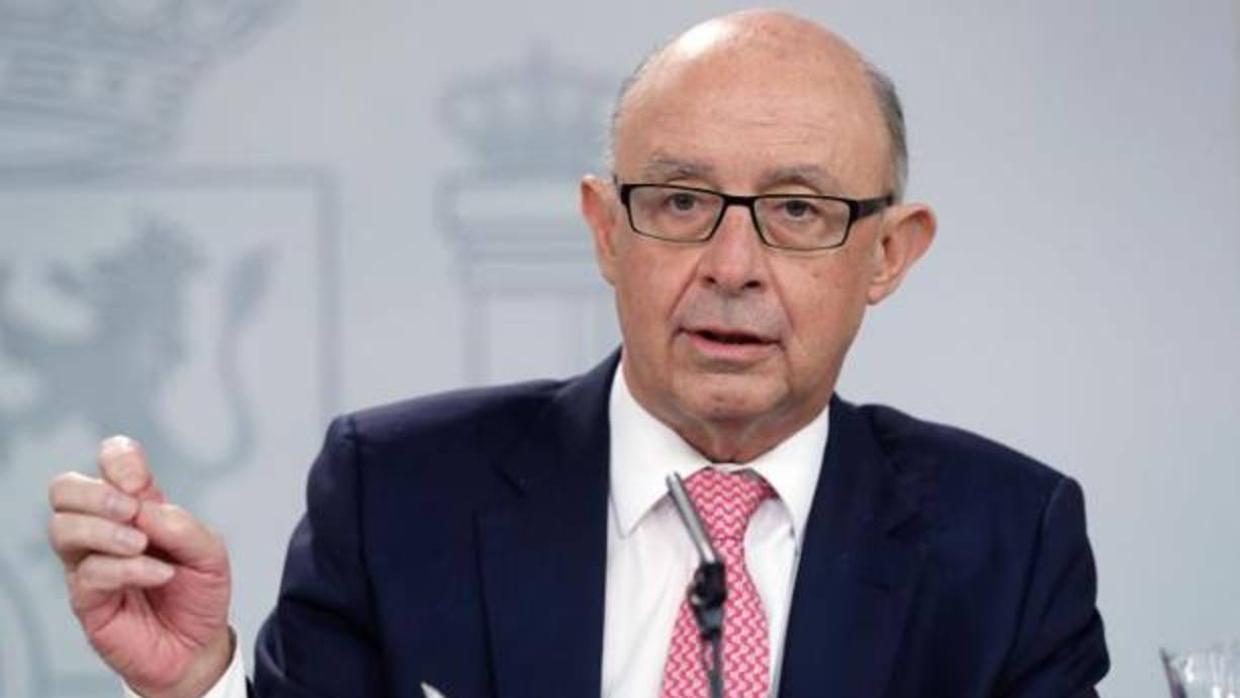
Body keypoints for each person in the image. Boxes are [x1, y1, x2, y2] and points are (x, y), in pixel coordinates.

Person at [47, 9, 1109, 698]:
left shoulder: (1007, 540)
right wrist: (200, 683)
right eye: (681, 202)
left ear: (888, 254)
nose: (732, 265)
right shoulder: (398, 492)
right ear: (606, 230)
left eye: (797, 210)